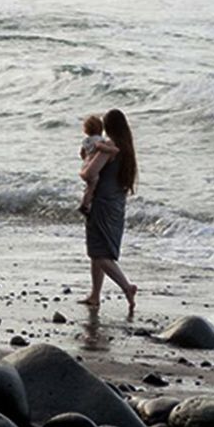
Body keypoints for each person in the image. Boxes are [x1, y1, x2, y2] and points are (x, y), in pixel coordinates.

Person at [77, 108, 138, 315]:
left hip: (101, 203)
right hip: (116, 204)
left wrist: (84, 165)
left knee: (98, 253)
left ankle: (127, 287)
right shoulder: (126, 148)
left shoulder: (108, 147)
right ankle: (95, 295)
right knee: (99, 250)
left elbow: (89, 174)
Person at [78, 114, 119, 216]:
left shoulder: (85, 141)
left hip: (85, 166)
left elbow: (82, 153)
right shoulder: (99, 140)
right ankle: (85, 205)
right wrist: (112, 150)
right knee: (92, 186)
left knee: (88, 188)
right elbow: (100, 147)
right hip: (92, 169)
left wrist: (85, 158)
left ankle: (86, 203)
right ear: (100, 128)